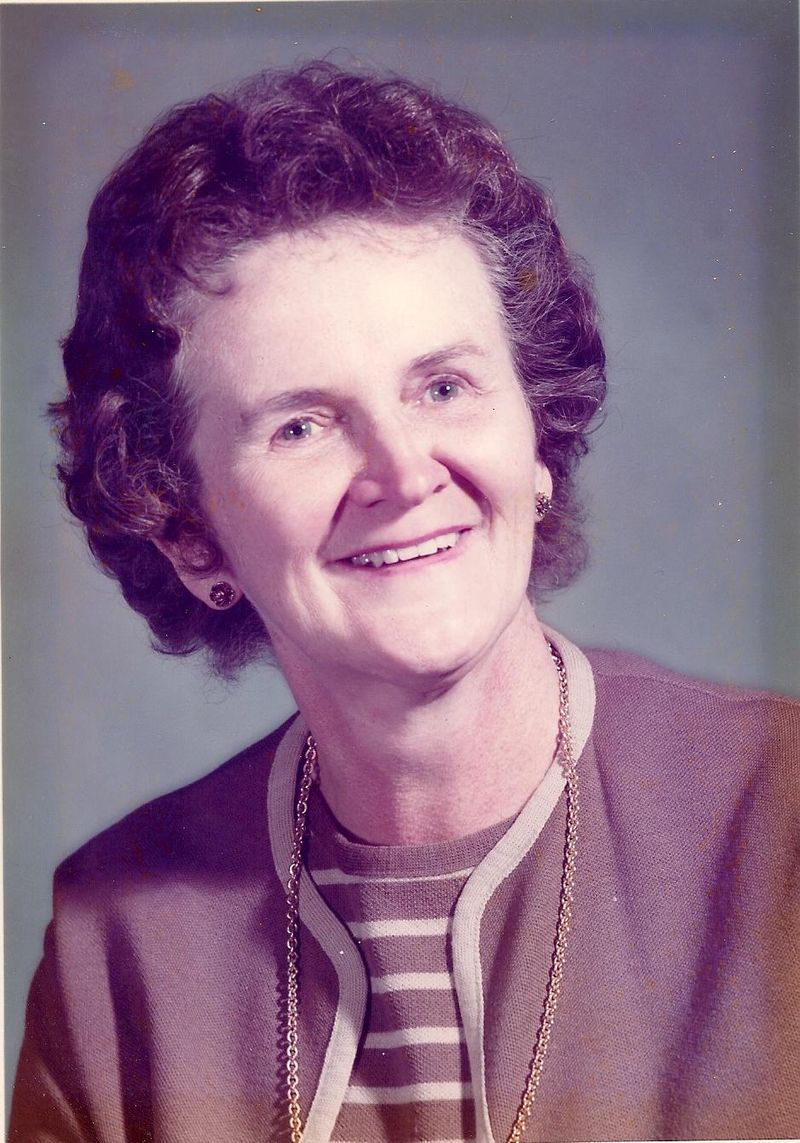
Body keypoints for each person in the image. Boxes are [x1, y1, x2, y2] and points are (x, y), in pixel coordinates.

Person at [9, 61, 798, 1143]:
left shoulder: (777, 817)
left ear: (534, 437)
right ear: (189, 534)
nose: (402, 471)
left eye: (443, 387)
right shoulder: (117, 947)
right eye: (300, 424)